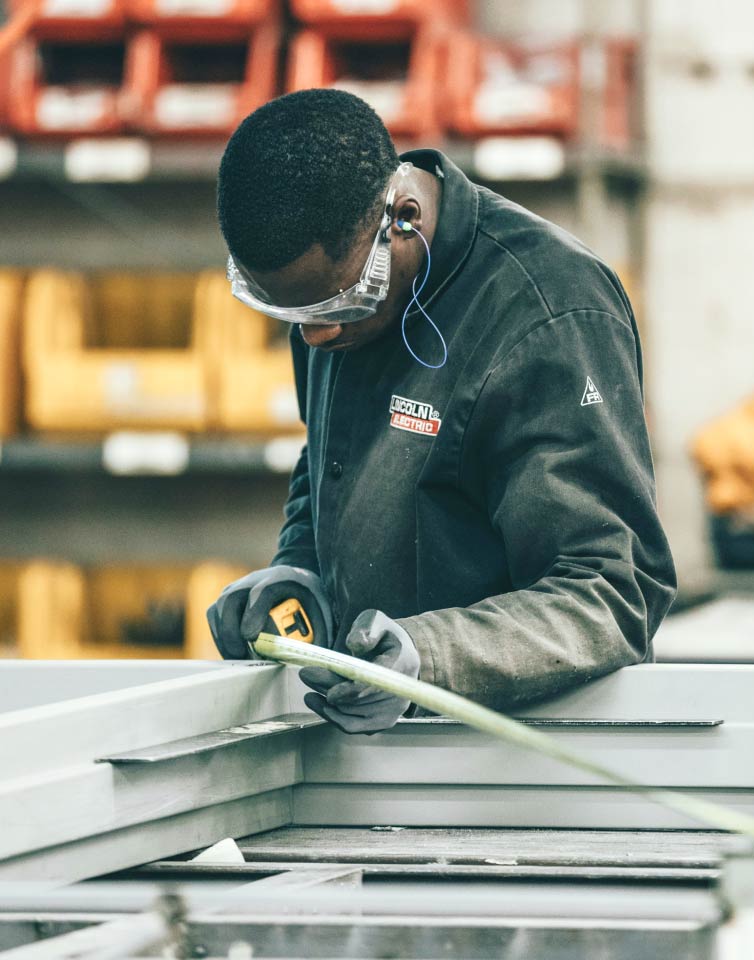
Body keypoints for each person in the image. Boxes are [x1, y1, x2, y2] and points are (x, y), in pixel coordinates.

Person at [207, 88, 676, 734]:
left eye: (337, 307)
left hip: (518, 757)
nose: (315, 337)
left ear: (402, 218)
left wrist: (431, 659)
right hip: (377, 746)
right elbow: (330, 460)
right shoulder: (333, 295)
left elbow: (610, 593)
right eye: (296, 315)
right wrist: (300, 573)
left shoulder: (549, 312)